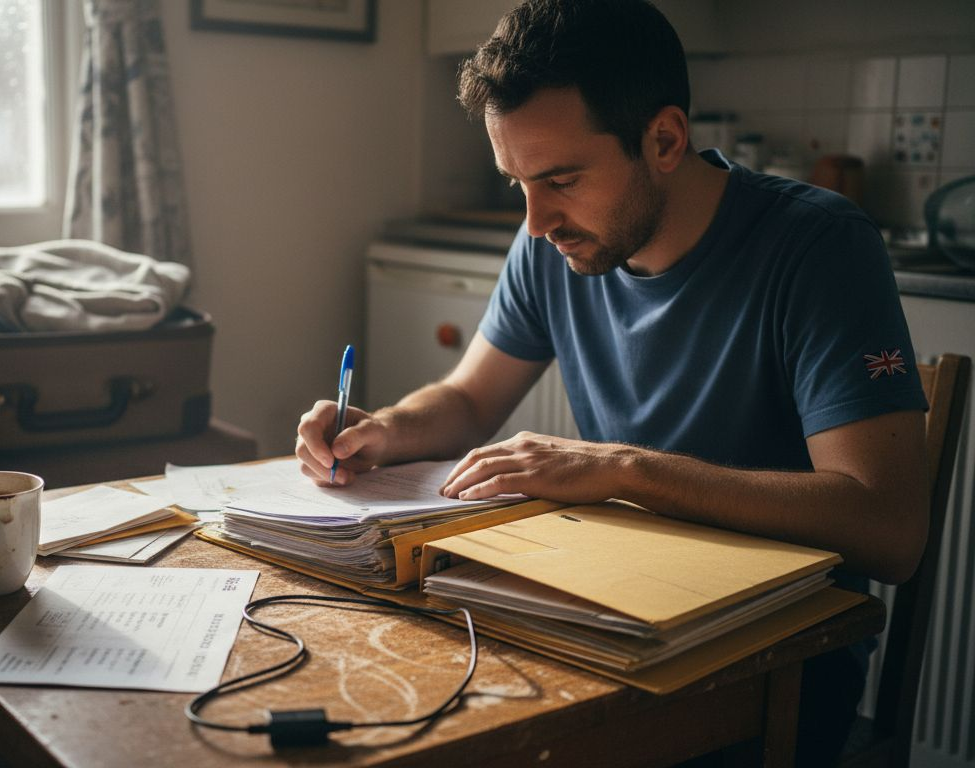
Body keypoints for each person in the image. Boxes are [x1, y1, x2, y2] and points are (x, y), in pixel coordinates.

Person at [295, 0, 929, 763]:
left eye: (560, 177)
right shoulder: (556, 244)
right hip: (602, 627)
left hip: (770, 673)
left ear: (663, 139)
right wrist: (385, 429)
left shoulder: (820, 248)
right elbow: (467, 400)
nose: (534, 221)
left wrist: (625, 469)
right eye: (517, 183)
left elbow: (889, 530)